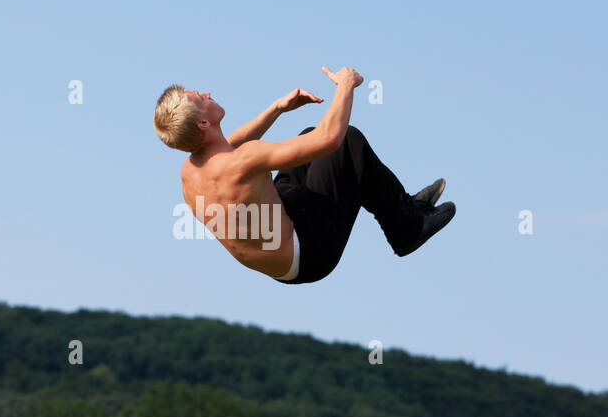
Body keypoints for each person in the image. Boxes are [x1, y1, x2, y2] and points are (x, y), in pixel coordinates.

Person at [153, 66, 455, 284]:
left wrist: (277, 108)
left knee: (307, 135)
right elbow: (330, 139)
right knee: (347, 141)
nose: (207, 93)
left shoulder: (190, 173)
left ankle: (403, 206)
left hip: (277, 245)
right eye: (201, 98)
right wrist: (346, 85)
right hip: (309, 253)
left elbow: (228, 147)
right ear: (204, 123)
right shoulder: (245, 160)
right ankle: (406, 229)